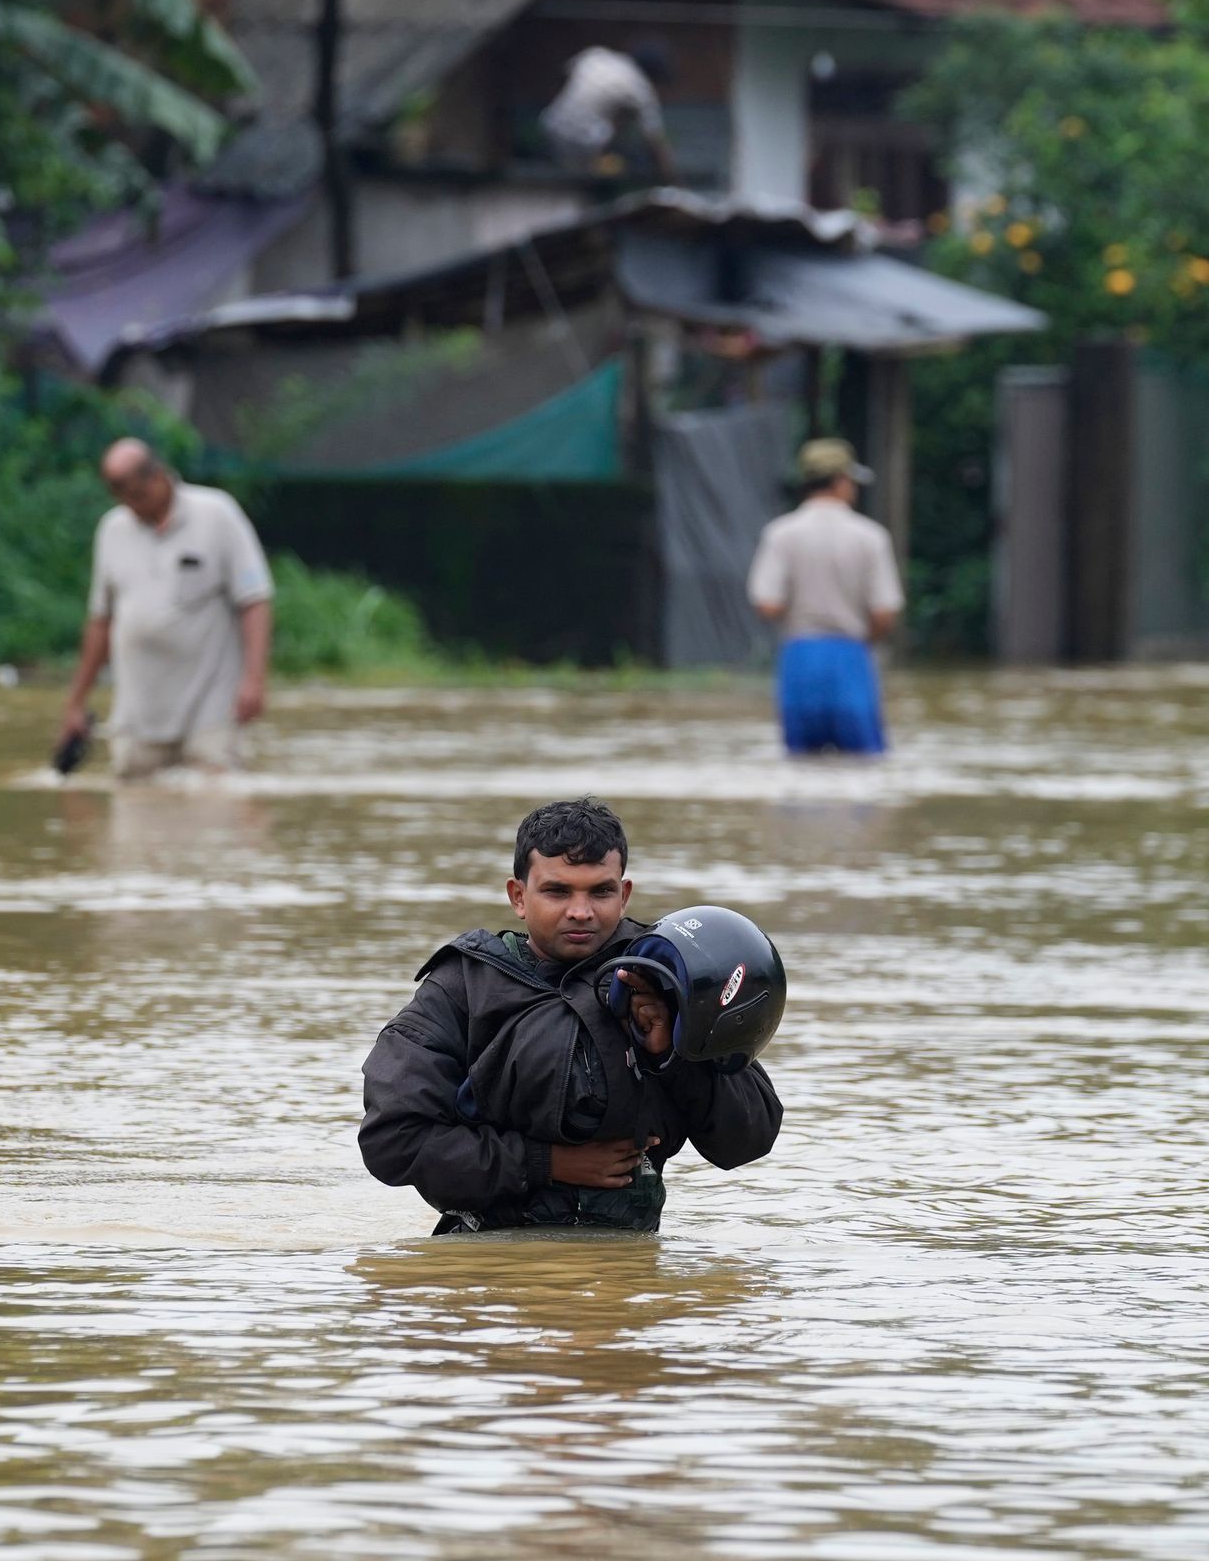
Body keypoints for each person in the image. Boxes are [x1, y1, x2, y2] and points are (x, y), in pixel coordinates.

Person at [359, 798, 783, 1233]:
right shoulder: (462, 987)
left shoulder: (673, 979)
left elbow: (749, 1140)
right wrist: (547, 1163)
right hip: (488, 1262)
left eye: (600, 891)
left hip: (628, 1265)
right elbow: (392, 1140)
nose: (580, 911)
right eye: (558, 891)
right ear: (518, 897)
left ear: (625, 894)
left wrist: (673, 1055)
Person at [60, 438, 275, 778]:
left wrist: (254, 679)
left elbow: (255, 599)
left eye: (137, 495)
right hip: (138, 715)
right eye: (122, 498)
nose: (133, 506)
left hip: (211, 709)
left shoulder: (217, 514)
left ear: (158, 476)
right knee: (134, 816)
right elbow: (101, 621)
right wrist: (77, 701)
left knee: (217, 816)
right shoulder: (112, 530)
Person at [749, 435, 904, 756]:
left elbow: (767, 603)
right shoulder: (870, 537)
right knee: (864, 773)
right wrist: (864, 635)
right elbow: (885, 613)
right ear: (841, 481)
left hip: (800, 659)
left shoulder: (781, 534)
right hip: (851, 659)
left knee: (801, 771)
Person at [540, 43, 678, 183]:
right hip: (585, 144)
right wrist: (673, 181)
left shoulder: (596, 56)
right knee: (632, 156)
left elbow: (562, 74)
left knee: (620, 113)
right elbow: (656, 141)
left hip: (550, 126)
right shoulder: (640, 88)